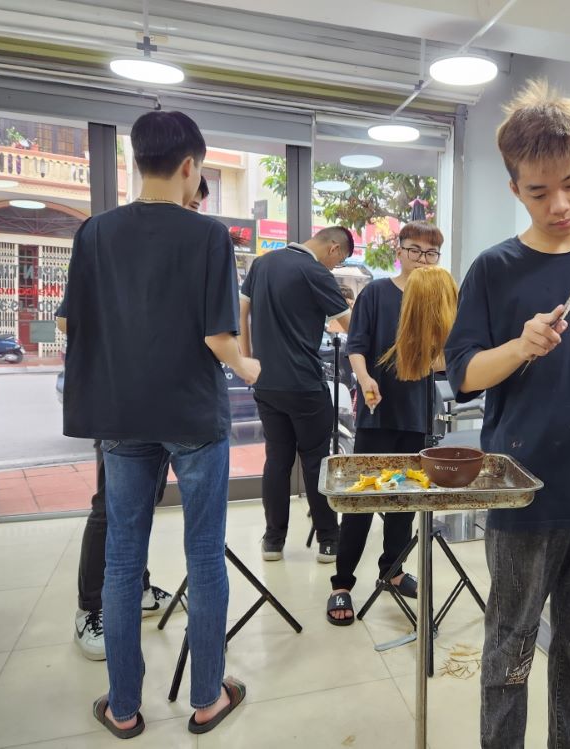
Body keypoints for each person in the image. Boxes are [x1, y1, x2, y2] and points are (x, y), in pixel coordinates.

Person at [444, 79, 570, 749]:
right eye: (538, 192)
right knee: (509, 651)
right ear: (515, 189)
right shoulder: (493, 269)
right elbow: (463, 374)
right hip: (520, 490)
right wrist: (520, 346)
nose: (559, 204)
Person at [61, 110, 258, 738]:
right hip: (193, 414)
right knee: (204, 554)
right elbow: (219, 336)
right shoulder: (208, 236)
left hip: (122, 413)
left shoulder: (95, 232)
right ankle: (207, 698)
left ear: (135, 160)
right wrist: (250, 367)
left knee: (123, 561)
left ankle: (123, 707)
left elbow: (69, 322)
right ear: (189, 167)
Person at [67, 176, 212, 662]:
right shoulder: (107, 236)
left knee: (140, 507)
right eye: (192, 203)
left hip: (169, 403)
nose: (190, 214)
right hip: (123, 401)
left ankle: (139, 589)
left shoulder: (184, 246)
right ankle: (92, 608)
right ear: (184, 175)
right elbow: (70, 319)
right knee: (113, 510)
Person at [327, 221, 444, 625]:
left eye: (431, 253)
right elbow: (357, 345)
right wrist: (364, 379)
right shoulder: (376, 293)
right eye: (416, 250)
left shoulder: (435, 298)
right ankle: (342, 583)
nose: (423, 259)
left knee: (404, 502)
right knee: (362, 499)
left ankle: (392, 570)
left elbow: (442, 360)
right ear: (400, 250)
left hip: (417, 415)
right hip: (377, 413)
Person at [239, 227, 353, 564]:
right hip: (304, 384)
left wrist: (248, 361)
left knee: (277, 461)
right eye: (339, 261)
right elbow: (352, 324)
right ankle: (329, 541)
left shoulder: (262, 263)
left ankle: (273, 541)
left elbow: (241, 312)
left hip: (266, 383)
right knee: (316, 462)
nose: (334, 267)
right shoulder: (316, 272)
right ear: (333, 248)